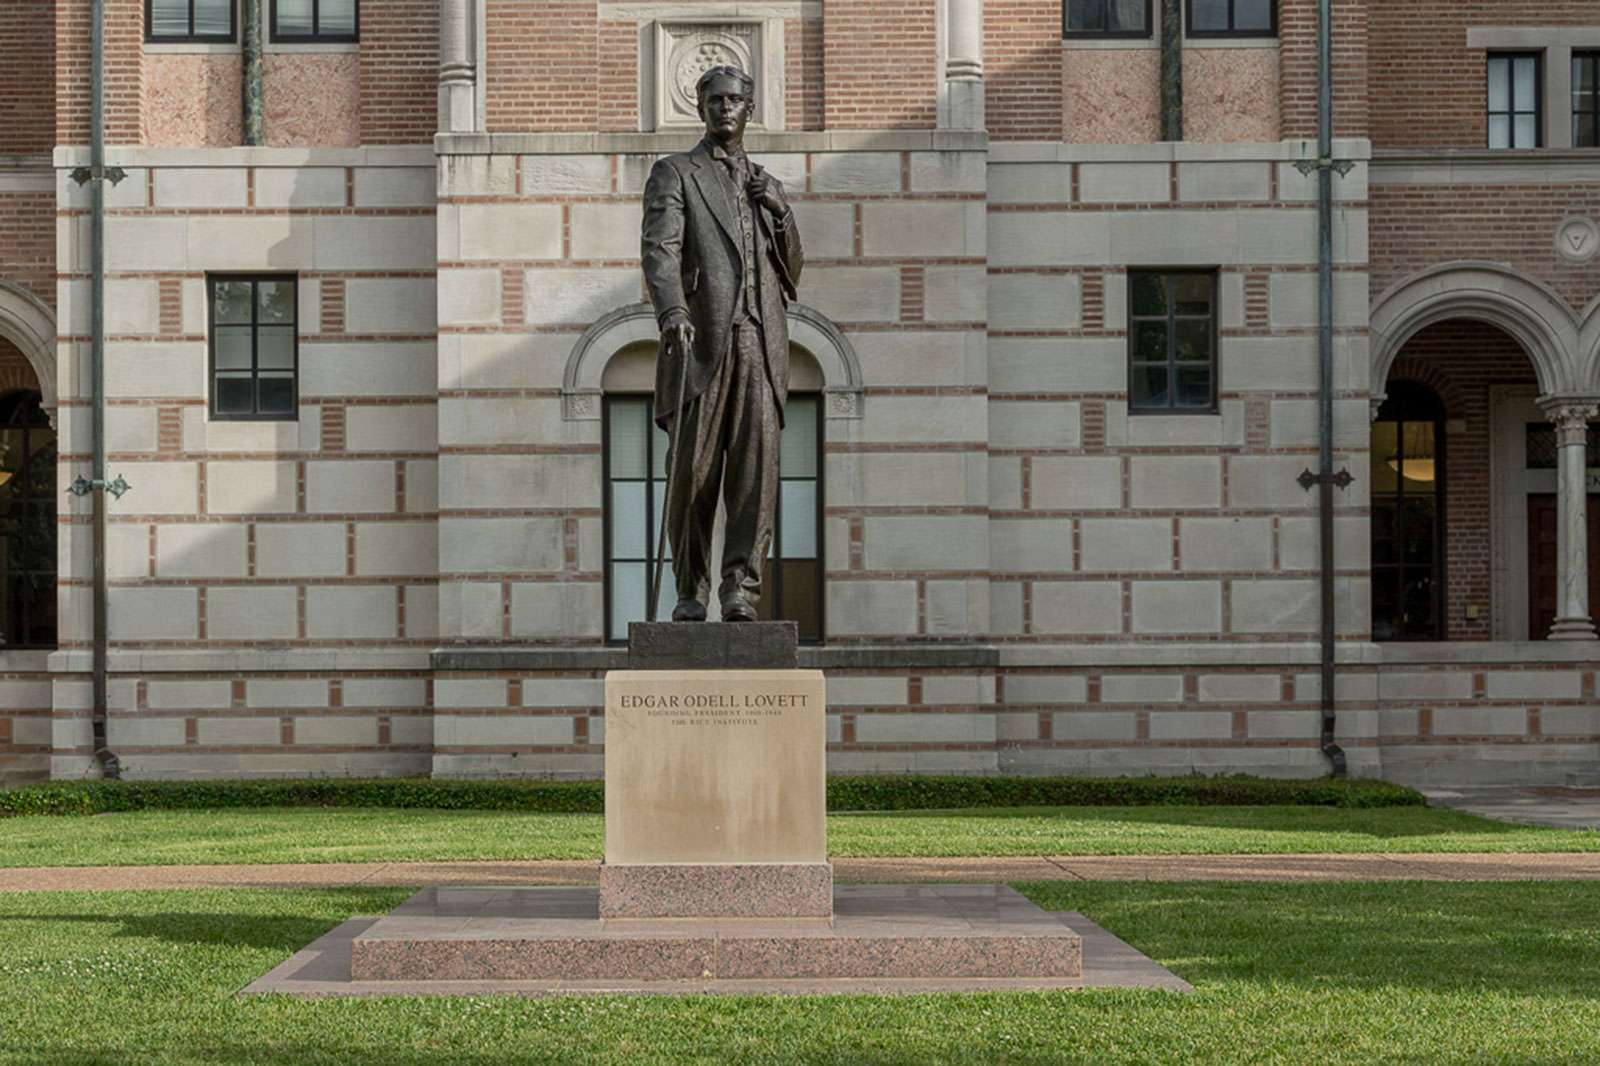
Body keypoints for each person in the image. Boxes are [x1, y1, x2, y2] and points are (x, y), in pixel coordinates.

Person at [640, 65, 804, 622]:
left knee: (756, 474)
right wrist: (672, 311)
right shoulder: (675, 173)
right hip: (702, 341)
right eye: (715, 100)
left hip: (760, 341)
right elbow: (661, 249)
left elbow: (792, 275)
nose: (725, 108)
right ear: (701, 108)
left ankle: (741, 589)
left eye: (734, 99)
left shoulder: (764, 183)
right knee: (693, 475)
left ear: (749, 107)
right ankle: (692, 590)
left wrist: (781, 210)